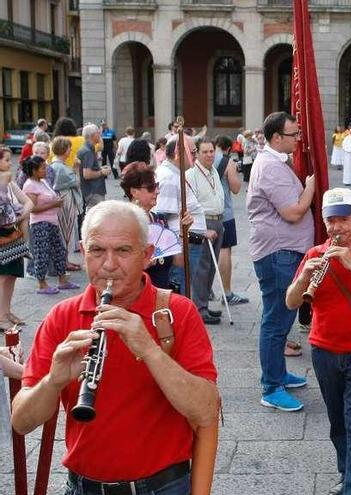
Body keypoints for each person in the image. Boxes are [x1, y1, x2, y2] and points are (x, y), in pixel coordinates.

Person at [11, 200, 219, 494]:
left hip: (163, 487)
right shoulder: (61, 317)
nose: (108, 265)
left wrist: (150, 351)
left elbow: (206, 410)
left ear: (147, 255)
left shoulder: (178, 312)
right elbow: (21, 422)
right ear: (83, 252)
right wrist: (53, 381)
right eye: (97, 251)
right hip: (84, 487)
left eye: (123, 250)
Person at [287, 188, 351, 495]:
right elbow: (291, 302)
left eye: (344, 219)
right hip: (323, 349)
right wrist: (305, 276)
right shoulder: (314, 254)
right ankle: (348, 474)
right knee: (337, 420)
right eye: (331, 221)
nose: (337, 227)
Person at [247, 111, 314, 412]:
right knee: (276, 320)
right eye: (293, 135)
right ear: (276, 138)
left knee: (281, 320)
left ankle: (278, 374)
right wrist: (311, 188)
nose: (297, 139)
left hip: (284, 251)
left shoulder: (275, 163)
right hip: (278, 252)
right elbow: (292, 212)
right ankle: (270, 386)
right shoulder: (270, 167)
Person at [153, 135, 209, 294]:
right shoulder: (170, 177)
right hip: (182, 246)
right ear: (179, 152)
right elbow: (161, 219)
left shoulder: (175, 174)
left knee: (184, 290)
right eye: (193, 152)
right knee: (180, 292)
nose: (196, 156)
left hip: (188, 243)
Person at [120, 161, 183, 290]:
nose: (157, 191)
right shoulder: (125, 223)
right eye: (151, 187)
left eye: (157, 185)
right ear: (134, 191)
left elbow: (178, 262)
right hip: (137, 295)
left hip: (161, 293)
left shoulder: (159, 220)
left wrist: (181, 232)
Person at [22, 156, 78, 295]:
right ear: (34, 170)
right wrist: (54, 204)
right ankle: (42, 284)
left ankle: (62, 280)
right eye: (42, 167)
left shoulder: (43, 181)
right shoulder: (30, 185)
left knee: (59, 251)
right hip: (40, 224)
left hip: (52, 222)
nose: (46, 169)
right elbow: (31, 208)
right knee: (42, 253)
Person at [186, 139, 225, 325]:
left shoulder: (214, 171)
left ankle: (204, 304)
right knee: (201, 268)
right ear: (197, 154)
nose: (210, 155)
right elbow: (189, 206)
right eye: (205, 152)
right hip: (204, 223)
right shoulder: (191, 175)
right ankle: (199, 308)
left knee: (211, 267)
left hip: (218, 221)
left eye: (212, 151)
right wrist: (201, 229)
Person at [0, 146, 33, 328]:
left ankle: (5, 311)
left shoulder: (9, 181)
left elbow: (28, 202)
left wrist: (19, 216)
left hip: (14, 232)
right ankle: (1, 316)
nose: (10, 163)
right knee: (3, 276)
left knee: (11, 275)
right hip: (3, 235)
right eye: (6, 160)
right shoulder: (5, 179)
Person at [213, 135, 248, 305]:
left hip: (203, 213)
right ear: (228, 148)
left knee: (205, 255)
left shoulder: (201, 158)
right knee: (224, 250)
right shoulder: (227, 161)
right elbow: (235, 188)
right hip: (224, 212)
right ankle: (226, 293)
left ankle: (206, 290)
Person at [49, 137, 84, 272]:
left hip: (63, 198)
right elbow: (75, 182)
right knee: (67, 230)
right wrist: (76, 169)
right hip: (65, 199)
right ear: (64, 150)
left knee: (66, 230)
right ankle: (65, 261)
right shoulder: (60, 167)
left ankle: (66, 260)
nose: (70, 150)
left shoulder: (56, 165)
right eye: (68, 148)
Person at [78, 124, 111, 211]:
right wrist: (101, 172)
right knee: (96, 214)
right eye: (98, 133)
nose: (100, 135)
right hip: (93, 190)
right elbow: (87, 174)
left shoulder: (88, 149)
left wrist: (100, 169)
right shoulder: (87, 151)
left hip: (93, 189)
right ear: (93, 135)